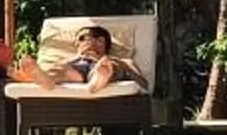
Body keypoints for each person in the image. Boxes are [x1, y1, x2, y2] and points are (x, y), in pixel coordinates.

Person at [8, 22, 138, 93]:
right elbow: (62, 69)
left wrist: (124, 67)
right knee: (59, 69)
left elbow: (144, 85)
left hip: (102, 65)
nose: (79, 43)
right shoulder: (69, 62)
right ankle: (42, 79)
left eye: (82, 38)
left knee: (107, 66)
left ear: (101, 41)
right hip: (76, 72)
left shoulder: (118, 60)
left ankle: (99, 79)